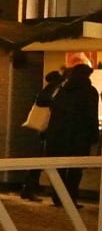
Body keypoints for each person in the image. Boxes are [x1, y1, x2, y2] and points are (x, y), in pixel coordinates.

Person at [44, 63, 100, 207]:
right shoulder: (89, 91)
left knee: (59, 169)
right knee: (75, 170)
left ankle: (58, 198)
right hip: (79, 138)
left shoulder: (61, 90)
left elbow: (48, 106)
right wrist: (94, 136)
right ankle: (71, 199)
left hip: (58, 136)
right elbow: (91, 115)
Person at [20, 70, 63, 201]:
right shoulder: (53, 91)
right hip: (44, 130)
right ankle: (29, 188)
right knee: (39, 161)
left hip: (40, 130)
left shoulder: (46, 90)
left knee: (38, 161)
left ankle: (28, 188)